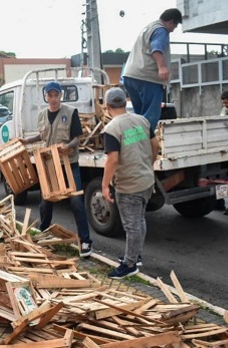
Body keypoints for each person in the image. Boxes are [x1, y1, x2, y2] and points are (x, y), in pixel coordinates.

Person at [21, 81, 93, 257]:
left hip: (69, 163)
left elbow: (77, 137)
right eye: (49, 95)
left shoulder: (70, 113)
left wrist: (69, 146)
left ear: (61, 95)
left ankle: (85, 241)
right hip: (49, 164)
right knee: (46, 201)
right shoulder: (41, 115)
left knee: (76, 201)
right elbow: (42, 135)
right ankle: (43, 232)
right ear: (45, 96)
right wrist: (28, 141)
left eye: (56, 95)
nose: (53, 99)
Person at [100, 88, 159, 278]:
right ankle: (135, 255)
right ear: (125, 102)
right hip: (146, 180)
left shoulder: (112, 129)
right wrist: (148, 165)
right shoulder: (142, 120)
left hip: (128, 185)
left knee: (131, 226)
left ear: (107, 106)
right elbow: (155, 145)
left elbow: (113, 160)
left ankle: (130, 264)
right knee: (140, 220)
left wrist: (104, 185)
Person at [122, 8, 182, 132]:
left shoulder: (149, 27)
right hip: (147, 77)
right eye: (175, 26)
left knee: (139, 116)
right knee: (150, 116)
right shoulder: (161, 30)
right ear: (171, 22)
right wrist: (162, 67)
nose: (173, 29)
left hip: (130, 76)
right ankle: (145, 146)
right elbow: (156, 47)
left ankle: (133, 145)